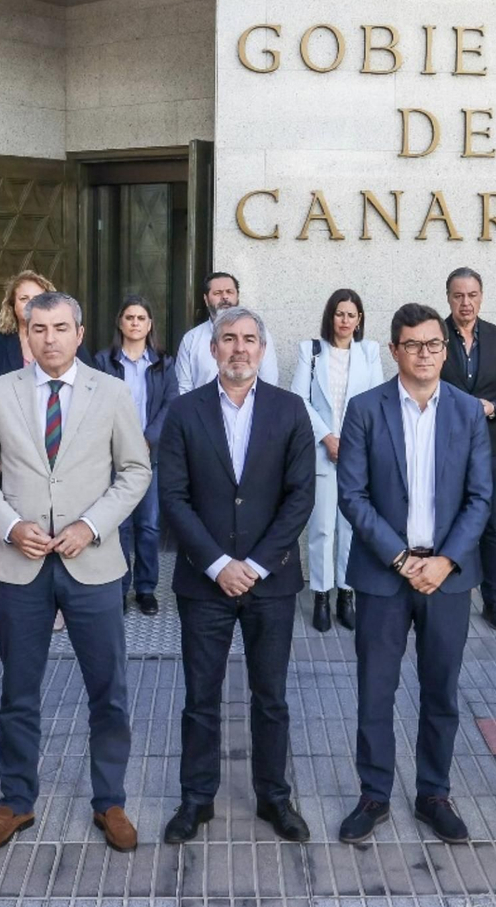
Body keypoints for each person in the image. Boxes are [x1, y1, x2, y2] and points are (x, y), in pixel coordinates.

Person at [0, 292, 152, 853]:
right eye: (38, 328)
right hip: (21, 564)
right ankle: (16, 802)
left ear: (80, 332)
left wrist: (91, 525)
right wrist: (9, 525)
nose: (50, 338)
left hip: (92, 563)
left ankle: (109, 801)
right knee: (18, 692)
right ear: (26, 334)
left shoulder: (111, 392)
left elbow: (136, 471)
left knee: (108, 692)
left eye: (61, 328)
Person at [153, 306, 317, 844]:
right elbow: (173, 497)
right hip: (204, 582)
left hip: (273, 581)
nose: (239, 348)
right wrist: (219, 564)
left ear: (262, 351)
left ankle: (274, 798)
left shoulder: (290, 410)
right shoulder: (185, 411)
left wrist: (257, 564)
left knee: (271, 698)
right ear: (213, 348)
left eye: (249, 339)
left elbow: (300, 497)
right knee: (201, 698)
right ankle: (196, 800)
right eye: (229, 338)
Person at [335, 303, 493, 846]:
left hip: (448, 575)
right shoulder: (365, 409)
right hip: (384, 575)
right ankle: (374, 794)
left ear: (445, 350)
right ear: (394, 350)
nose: (424, 354)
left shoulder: (468, 412)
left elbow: (481, 497)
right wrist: (401, 560)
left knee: (441, 690)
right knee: (375, 690)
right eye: (412, 345)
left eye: (433, 344)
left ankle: (434, 794)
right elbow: (352, 496)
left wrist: (445, 561)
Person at [287, 288, 386, 632]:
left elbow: (377, 400)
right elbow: (299, 399)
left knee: (351, 527)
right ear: (330, 316)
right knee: (322, 528)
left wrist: (352, 443)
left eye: (351, 315)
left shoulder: (369, 352)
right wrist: (327, 437)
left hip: (358, 452)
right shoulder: (311, 350)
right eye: (339, 313)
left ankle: (346, 594)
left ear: (359, 320)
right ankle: (321, 596)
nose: (345, 320)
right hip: (321, 449)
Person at [439, 267, 496, 633]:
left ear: (481, 297)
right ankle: (445, 593)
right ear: (448, 298)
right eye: (458, 295)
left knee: (491, 523)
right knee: (444, 518)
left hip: (489, 447)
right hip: (443, 446)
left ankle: (493, 602)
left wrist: (493, 407)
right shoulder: (435, 335)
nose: (466, 302)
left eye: (472, 295)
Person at [91, 296, 175, 615]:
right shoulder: (104, 361)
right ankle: (121, 587)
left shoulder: (164, 363)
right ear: (120, 322)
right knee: (120, 525)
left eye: (141, 318)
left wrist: (148, 438)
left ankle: (146, 589)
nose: (135, 323)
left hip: (150, 454)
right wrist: (122, 439)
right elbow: (96, 404)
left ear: (150, 324)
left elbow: (171, 403)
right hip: (114, 455)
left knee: (149, 525)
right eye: (130, 317)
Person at [0, 269, 53, 427]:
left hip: (54, 430)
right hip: (7, 431)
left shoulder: (65, 341)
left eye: (37, 298)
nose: (31, 304)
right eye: (24, 298)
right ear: (12, 305)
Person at [173, 271, 280, 394]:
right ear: (206, 299)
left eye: (229, 292)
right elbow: (183, 389)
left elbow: (269, 382)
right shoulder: (191, 339)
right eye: (217, 293)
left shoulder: (258, 333)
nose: (224, 297)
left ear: (237, 297)